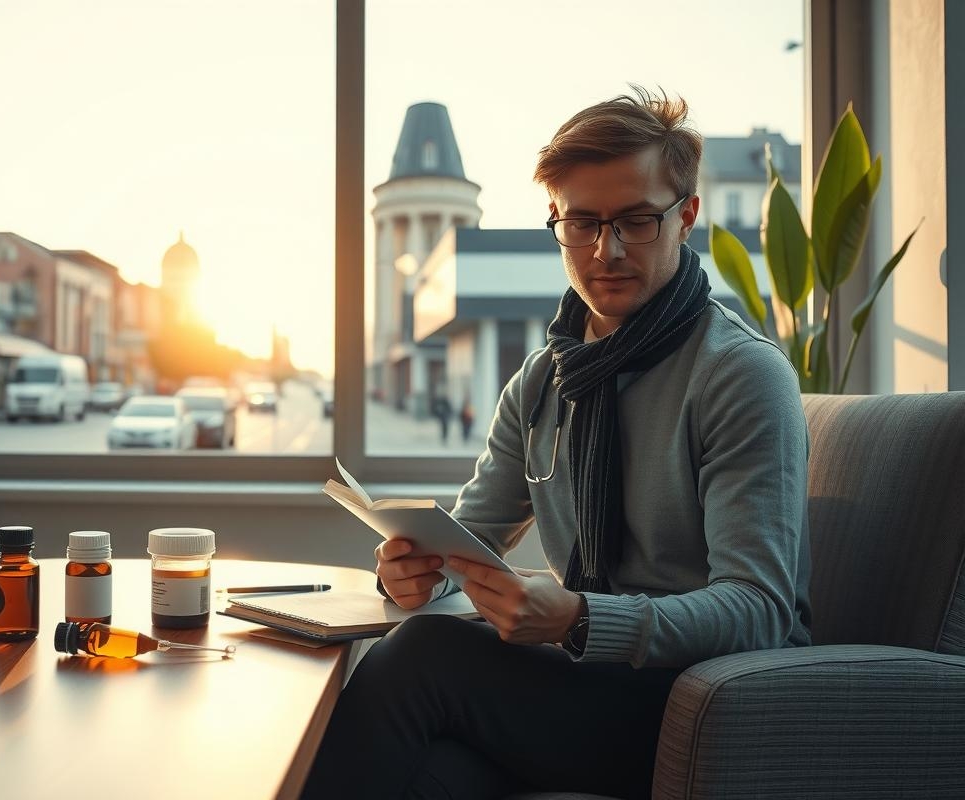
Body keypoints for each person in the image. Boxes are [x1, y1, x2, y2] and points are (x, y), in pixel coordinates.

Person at [301, 87, 812, 800]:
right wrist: (414, 571)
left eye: (637, 220)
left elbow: (759, 609)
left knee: (424, 655)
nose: (607, 250)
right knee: (430, 772)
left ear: (686, 216)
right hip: (585, 685)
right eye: (582, 223)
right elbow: (468, 534)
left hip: (698, 703)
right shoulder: (545, 379)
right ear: (557, 223)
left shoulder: (739, 374)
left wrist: (579, 617)